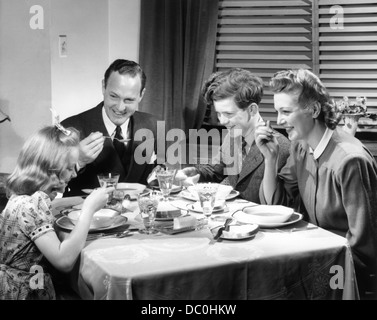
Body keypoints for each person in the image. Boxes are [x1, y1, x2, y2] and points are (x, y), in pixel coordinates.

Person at [255, 68, 377, 298]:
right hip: (316, 258)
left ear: (313, 110)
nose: (279, 121)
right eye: (277, 111)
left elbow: (364, 249)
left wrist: (313, 274)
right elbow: (277, 207)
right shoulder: (300, 146)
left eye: (286, 111)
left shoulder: (351, 160)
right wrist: (270, 160)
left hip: (347, 275)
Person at [0, 125, 113, 299]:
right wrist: (88, 209)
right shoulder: (32, 204)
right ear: (49, 170)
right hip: (26, 292)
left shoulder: (21, 197)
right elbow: (64, 261)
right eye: (69, 168)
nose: (73, 175)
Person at [175, 68, 291, 203]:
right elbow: (216, 170)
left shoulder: (280, 147)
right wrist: (196, 173)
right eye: (218, 114)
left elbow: (280, 204)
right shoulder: (232, 136)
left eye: (229, 114)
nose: (222, 121)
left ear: (252, 109)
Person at [61, 59, 160, 196]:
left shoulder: (154, 125)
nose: (120, 107)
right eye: (114, 96)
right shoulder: (69, 128)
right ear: (103, 87)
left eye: (129, 100)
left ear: (141, 95)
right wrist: (78, 161)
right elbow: (50, 187)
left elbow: (165, 174)